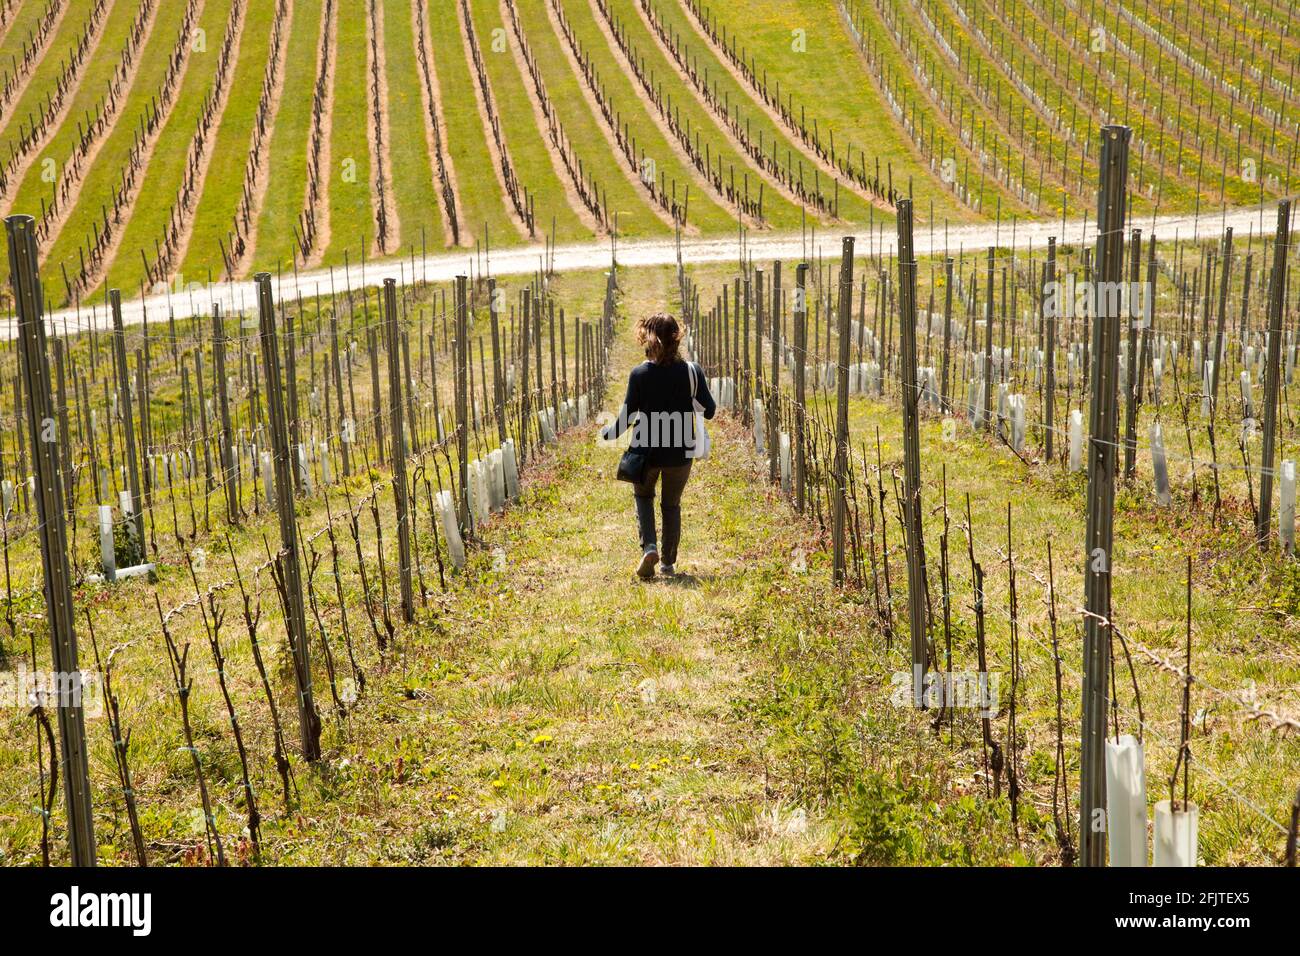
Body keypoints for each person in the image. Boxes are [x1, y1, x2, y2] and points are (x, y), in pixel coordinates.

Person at [601, 312, 715, 578]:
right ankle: (668, 563)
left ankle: (649, 546)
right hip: (681, 451)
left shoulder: (639, 373)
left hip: (647, 453)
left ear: (648, 339)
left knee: (643, 497)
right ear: (677, 339)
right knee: (671, 505)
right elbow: (709, 411)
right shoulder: (692, 371)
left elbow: (628, 417)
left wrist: (608, 433)